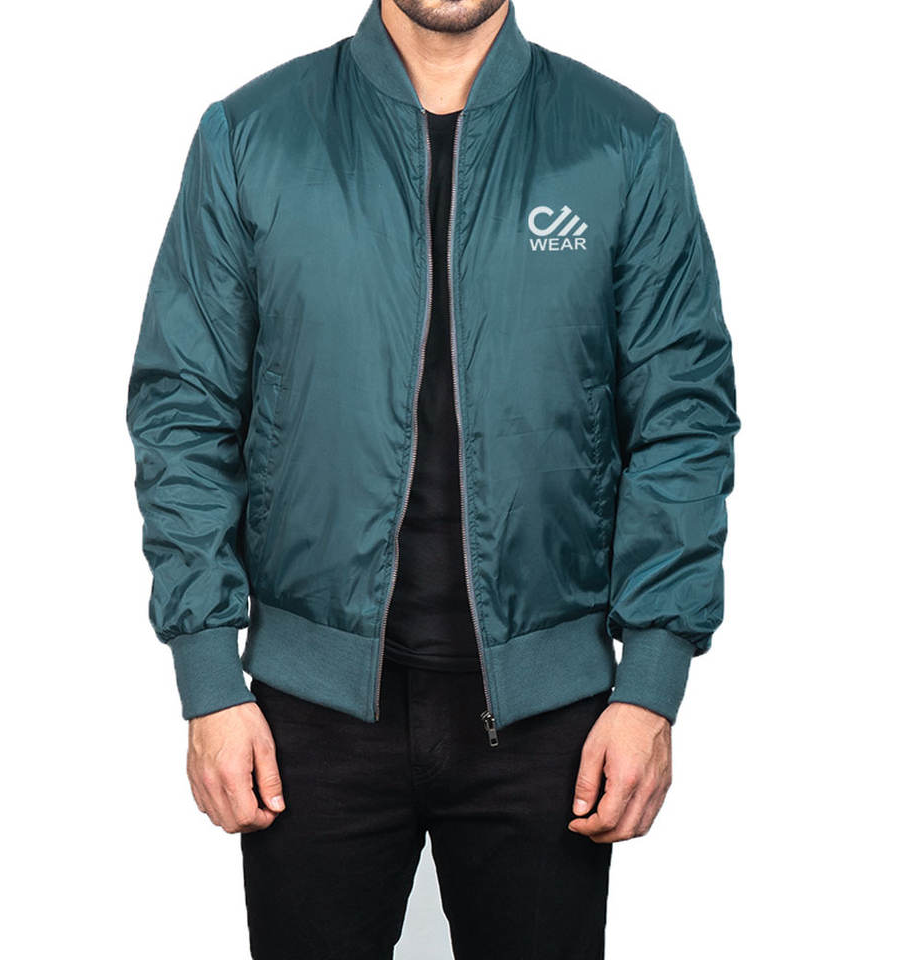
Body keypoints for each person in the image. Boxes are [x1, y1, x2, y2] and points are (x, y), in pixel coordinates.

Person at [126, 0, 740, 956]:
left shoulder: (622, 144)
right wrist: (208, 677)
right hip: (307, 721)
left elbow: (683, 424)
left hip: (552, 722)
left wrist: (652, 685)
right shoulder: (251, 137)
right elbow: (183, 410)